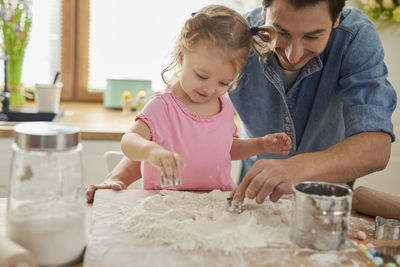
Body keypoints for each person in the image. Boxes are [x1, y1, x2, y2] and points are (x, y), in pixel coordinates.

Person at [86, 5, 291, 203]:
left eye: (223, 83)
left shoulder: (224, 106)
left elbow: (224, 148)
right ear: (182, 56)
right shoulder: (163, 106)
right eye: (202, 76)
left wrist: (260, 144)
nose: (210, 89)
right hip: (165, 206)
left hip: (214, 207)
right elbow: (129, 141)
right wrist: (151, 151)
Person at [229, 0, 396, 204]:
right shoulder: (234, 35)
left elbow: (376, 148)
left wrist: (300, 168)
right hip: (253, 195)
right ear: (264, 12)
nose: (293, 55)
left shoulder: (355, 37)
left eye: (312, 36)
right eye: (280, 32)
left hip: (326, 203)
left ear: (336, 19)